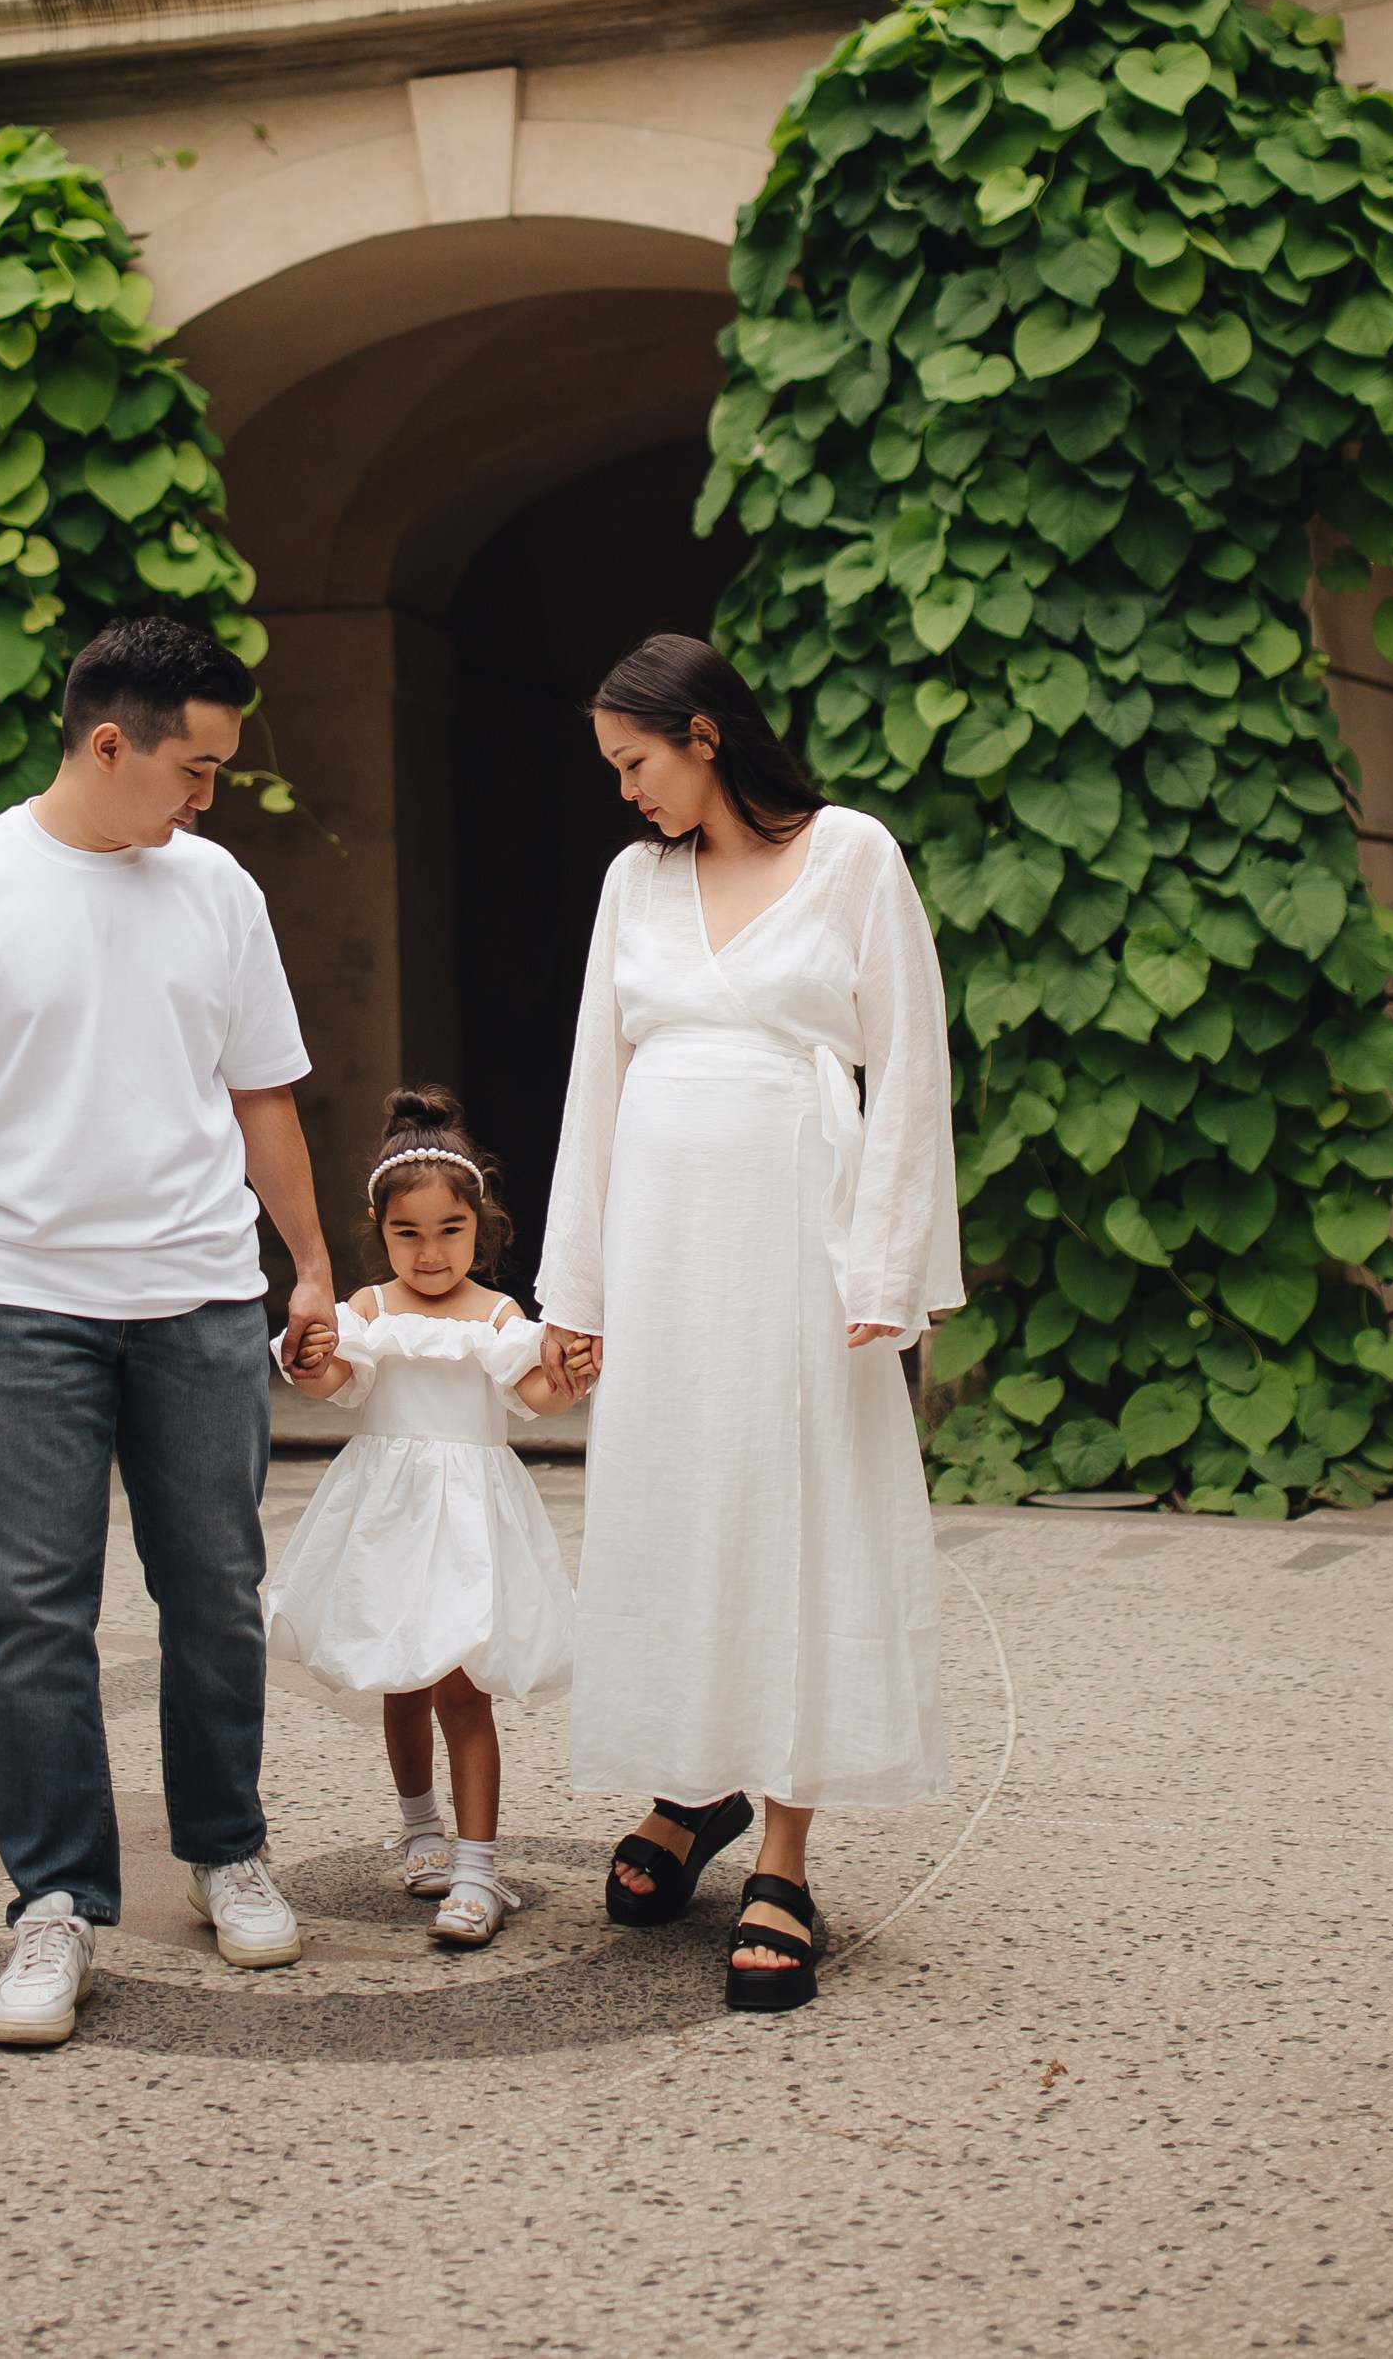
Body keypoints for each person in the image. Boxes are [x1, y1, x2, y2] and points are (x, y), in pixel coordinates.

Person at [0, 612, 339, 2052]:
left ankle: (226, 1847)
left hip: (199, 1295)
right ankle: (52, 1905)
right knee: (35, 1620)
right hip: (17, 1304)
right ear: (106, 742)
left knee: (215, 1590)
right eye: (192, 770)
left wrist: (308, 1265)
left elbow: (263, 1096)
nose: (206, 799)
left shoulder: (218, 889)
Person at [536, 632, 963, 2016]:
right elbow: (595, 1082)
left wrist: (886, 1268)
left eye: (636, 762)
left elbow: (906, 1065)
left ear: (705, 735)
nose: (625, 793)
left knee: (796, 1511)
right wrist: (576, 1294)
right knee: (674, 1502)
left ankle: (784, 1845)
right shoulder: (630, 881)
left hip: (797, 1236)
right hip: (661, 1246)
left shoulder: (852, 856)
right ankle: (690, 1783)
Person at [269, 1086, 585, 1947]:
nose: (430, 1252)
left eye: (449, 1231)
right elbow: (331, 1383)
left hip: (472, 1524)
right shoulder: (369, 1311)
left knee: (462, 1688)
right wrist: (307, 1360)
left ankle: (478, 1870)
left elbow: (535, 1397)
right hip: (389, 1520)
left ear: (480, 1228)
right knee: (403, 1685)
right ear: (381, 1233)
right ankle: (420, 1833)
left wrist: (569, 1378)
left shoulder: (500, 1316)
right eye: (407, 1234)